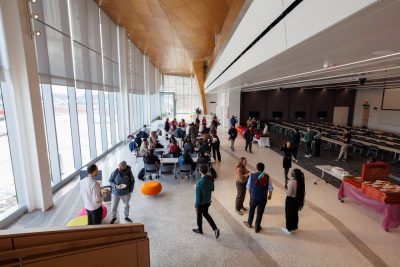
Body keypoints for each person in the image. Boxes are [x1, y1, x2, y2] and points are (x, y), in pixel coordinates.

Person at [244, 162, 273, 233]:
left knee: (251, 210)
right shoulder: (267, 176)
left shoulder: (252, 175)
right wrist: (269, 196)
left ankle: (249, 223)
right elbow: (270, 188)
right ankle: (257, 227)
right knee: (260, 213)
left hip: (253, 197)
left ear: (257, 168)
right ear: (263, 169)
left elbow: (248, 187)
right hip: (263, 198)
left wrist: (251, 194)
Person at [193, 165, 220, 239]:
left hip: (201, 203)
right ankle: (215, 229)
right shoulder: (210, 179)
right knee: (205, 214)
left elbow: (198, 197)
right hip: (207, 201)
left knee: (199, 215)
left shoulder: (199, 183)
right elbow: (212, 189)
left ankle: (200, 229)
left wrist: (196, 206)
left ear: (200, 171)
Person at [282, 168, 305, 234]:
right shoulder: (301, 182)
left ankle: (288, 228)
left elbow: (289, 193)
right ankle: (294, 227)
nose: (291, 173)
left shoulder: (292, 183)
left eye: (292, 172)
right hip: (297, 200)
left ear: (294, 175)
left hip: (291, 200)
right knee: (295, 213)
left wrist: (286, 189)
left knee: (289, 214)